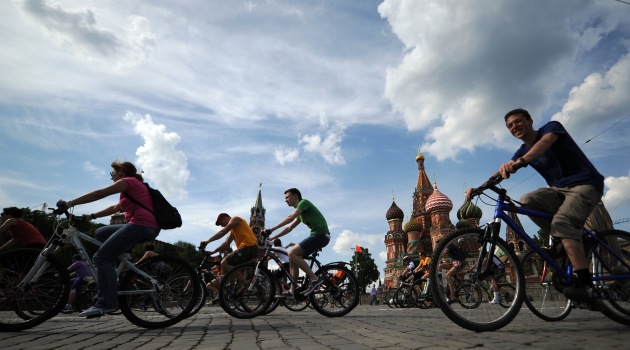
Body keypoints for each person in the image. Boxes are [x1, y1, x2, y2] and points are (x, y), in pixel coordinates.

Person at [467, 108, 604, 307]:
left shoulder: (551, 128)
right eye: (510, 125)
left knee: (563, 222)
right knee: (527, 200)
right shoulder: (523, 150)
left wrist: (521, 161)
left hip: (585, 184)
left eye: (518, 121)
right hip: (559, 190)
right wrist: (479, 187)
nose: (514, 127)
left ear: (530, 121)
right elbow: (501, 171)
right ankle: (561, 241)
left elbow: (544, 144)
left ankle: (584, 283)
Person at [56, 160, 160, 318]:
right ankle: (122, 258)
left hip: (140, 225)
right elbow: (115, 208)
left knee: (101, 258)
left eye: (113, 172)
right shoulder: (131, 189)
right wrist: (90, 216)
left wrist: (70, 203)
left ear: (121, 172)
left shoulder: (128, 182)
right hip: (146, 226)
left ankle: (106, 303)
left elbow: (100, 193)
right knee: (100, 232)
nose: (111, 175)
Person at [265, 188, 331, 298]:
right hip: (317, 235)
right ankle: (292, 290)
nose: (285, 200)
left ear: (295, 196)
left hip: (321, 235)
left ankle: (314, 278)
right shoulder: (301, 213)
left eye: (287, 197)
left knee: (292, 253)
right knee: (292, 257)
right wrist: (273, 237)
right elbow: (289, 228)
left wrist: (271, 228)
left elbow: (290, 218)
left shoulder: (303, 203)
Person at [199, 213, 258, 303]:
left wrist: (208, 241)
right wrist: (213, 252)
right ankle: (230, 289)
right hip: (248, 248)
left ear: (225, 218)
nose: (222, 226)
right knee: (229, 266)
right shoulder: (233, 230)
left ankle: (245, 283)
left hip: (248, 247)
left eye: (221, 223)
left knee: (224, 263)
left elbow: (223, 232)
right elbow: (226, 244)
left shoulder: (236, 219)